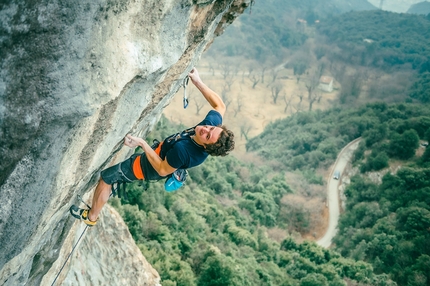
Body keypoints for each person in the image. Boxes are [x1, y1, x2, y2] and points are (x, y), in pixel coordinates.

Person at [70, 68, 235, 226]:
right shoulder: (212, 129)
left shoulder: (184, 152)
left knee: (107, 178)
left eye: (207, 135)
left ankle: (91, 217)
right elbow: (220, 106)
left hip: (148, 167)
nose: (205, 129)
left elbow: (162, 170)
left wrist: (142, 143)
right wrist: (197, 81)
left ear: (207, 147)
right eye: (211, 128)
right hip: (161, 154)